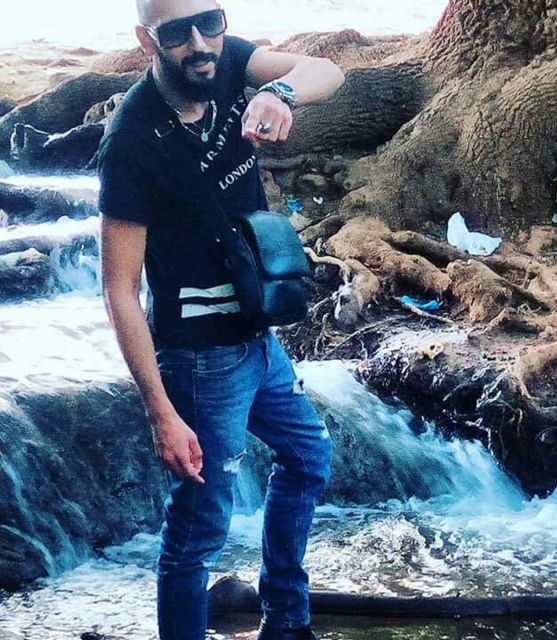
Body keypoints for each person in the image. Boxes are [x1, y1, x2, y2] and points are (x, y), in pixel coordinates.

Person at [97, 1, 344, 639]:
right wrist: (161, 412)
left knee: (309, 457)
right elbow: (119, 289)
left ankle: (286, 620)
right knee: (198, 531)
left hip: (257, 333)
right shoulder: (131, 142)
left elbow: (329, 70)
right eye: (177, 32)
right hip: (198, 359)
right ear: (147, 40)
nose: (199, 43)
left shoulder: (229, 62)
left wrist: (279, 94)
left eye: (210, 21)